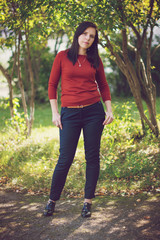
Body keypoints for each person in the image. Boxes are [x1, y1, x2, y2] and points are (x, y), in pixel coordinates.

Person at [44, 21, 114, 218]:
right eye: (84, 34)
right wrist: (55, 113)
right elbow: (52, 85)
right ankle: (52, 200)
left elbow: (104, 85)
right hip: (69, 114)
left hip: (94, 112)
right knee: (65, 158)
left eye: (91, 36)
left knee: (92, 157)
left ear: (94, 40)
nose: (87, 38)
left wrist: (109, 110)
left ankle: (87, 202)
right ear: (77, 35)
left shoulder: (95, 59)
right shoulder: (62, 56)